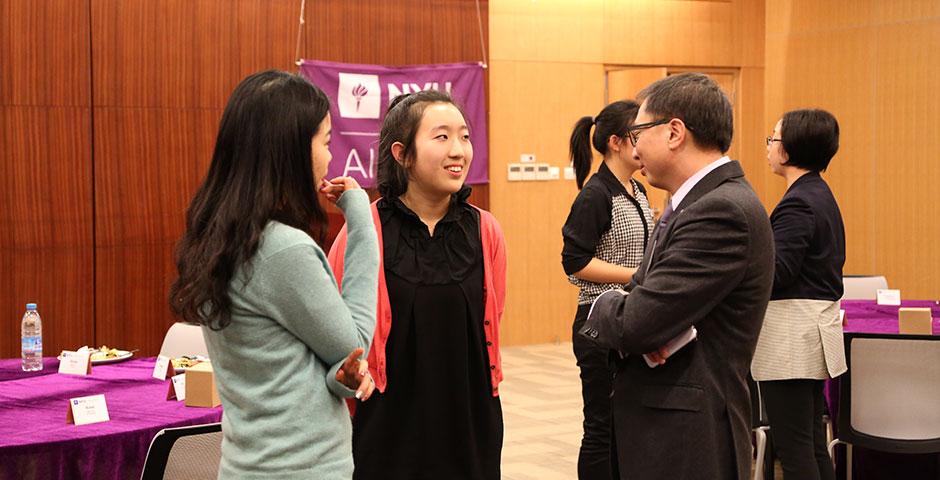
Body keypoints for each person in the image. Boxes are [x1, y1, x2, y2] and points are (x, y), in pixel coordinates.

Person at [168, 70, 378, 479]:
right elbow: (354, 344)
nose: (330, 157)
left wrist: (340, 377)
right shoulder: (283, 249)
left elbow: (287, 368)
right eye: (326, 141)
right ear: (292, 151)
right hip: (303, 468)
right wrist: (361, 217)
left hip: (246, 465)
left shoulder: (218, 240)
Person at [579, 72, 775, 479]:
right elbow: (644, 299)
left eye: (639, 133)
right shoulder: (694, 203)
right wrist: (642, 310)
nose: (635, 148)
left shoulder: (721, 211)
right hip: (671, 430)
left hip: (687, 440)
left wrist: (601, 305)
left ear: (673, 133)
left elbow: (637, 323)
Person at [328, 90, 507, 480]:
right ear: (402, 153)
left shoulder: (485, 229)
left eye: (464, 136)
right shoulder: (365, 229)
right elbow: (333, 325)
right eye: (442, 137)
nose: (459, 150)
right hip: (387, 422)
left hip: (469, 416)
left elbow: (492, 315)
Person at [751, 109, 845, 480]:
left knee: (794, 450)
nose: (769, 147)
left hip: (791, 339)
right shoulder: (818, 193)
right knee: (810, 444)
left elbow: (778, 272)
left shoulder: (799, 201)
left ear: (787, 151)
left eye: (772, 139)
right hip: (808, 335)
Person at [561, 100, 653, 480]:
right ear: (616, 142)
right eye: (638, 134)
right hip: (598, 324)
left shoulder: (638, 189)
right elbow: (574, 262)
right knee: (601, 428)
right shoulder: (595, 195)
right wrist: (633, 275)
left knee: (627, 427)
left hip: (631, 319)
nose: (645, 141)